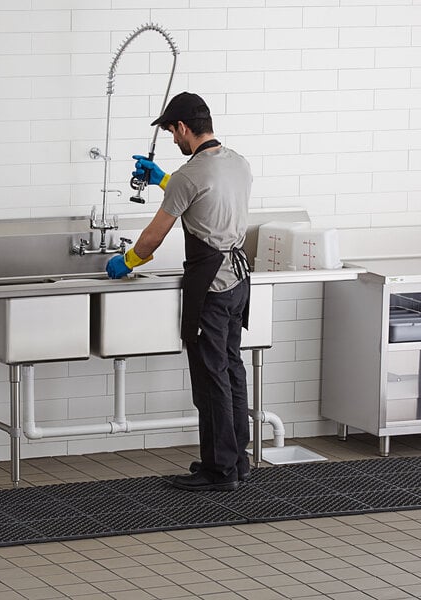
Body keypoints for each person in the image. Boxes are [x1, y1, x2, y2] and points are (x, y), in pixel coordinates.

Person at [106, 92, 252, 492]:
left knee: (211, 379)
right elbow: (203, 197)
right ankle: (237, 461)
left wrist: (128, 261)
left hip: (211, 288)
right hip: (238, 281)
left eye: (172, 131)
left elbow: (153, 237)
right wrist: (163, 180)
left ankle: (219, 471)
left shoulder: (189, 175)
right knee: (232, 372)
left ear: (184, 127)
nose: (173, 140)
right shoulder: (237, 162)